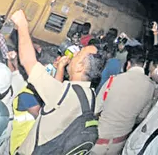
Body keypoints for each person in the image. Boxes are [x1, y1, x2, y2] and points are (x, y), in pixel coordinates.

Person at [11, 10, 104, 154]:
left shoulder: (64, 94)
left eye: (78, 55)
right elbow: (56, 100)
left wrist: (22, 25)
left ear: (80, 66)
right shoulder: (89, 95)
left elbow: (27, 61)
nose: (73, 55)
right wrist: (60, 67)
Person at [92, 47, 155, 155]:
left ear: (128, 64)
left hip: (98, 141)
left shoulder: (113, 80)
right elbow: (140, 118)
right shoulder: (150, 87)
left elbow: (95, 110)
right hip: (119, 145)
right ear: (144, 65)